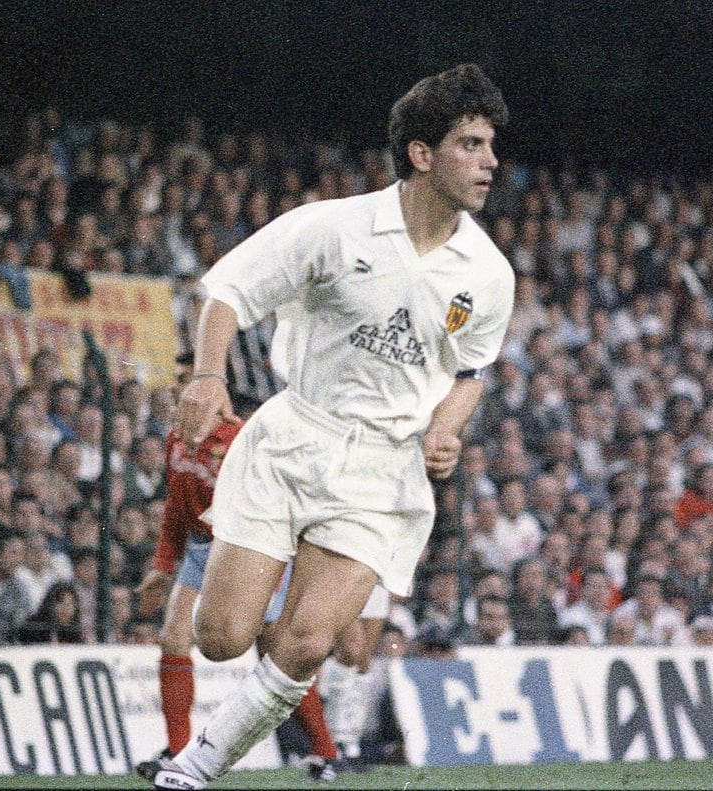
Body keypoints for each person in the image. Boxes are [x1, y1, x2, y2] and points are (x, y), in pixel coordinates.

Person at [152, 63, 512, 790]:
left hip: (382, 471)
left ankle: (196, 764)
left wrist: (447, 425)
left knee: (310, 640)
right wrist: (207, 375)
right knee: (218, 636)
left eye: (490, 144)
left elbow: (469, 371)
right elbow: (227, 289)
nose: (490, 160)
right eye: (471, 143)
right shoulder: (334, 226)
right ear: (421, 153)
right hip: (292, 440)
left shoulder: (489, 273)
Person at [135, 354, 341, 783]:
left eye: (185, 380)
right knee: (173, 636)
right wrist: (162, 563)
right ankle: (178, 751)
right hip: (199, 549)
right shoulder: (177, 439)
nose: (178, 388)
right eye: (176, 380)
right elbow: (175, 507)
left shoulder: (242, 439)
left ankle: (325, 752)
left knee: (275, 652)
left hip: (248, 550)